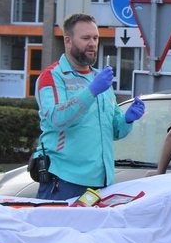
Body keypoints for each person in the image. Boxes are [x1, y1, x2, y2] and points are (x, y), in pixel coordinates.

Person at [34, 13, 145, 201]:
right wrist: (91, 92)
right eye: (85, 38)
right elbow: (56, 118)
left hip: (102, 183)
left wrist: (127, 119)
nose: (92, 43)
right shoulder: (53, 76)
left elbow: (114, 131)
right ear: (68, 41)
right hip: (64, 181)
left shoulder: (99, 78)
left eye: (95, 38)